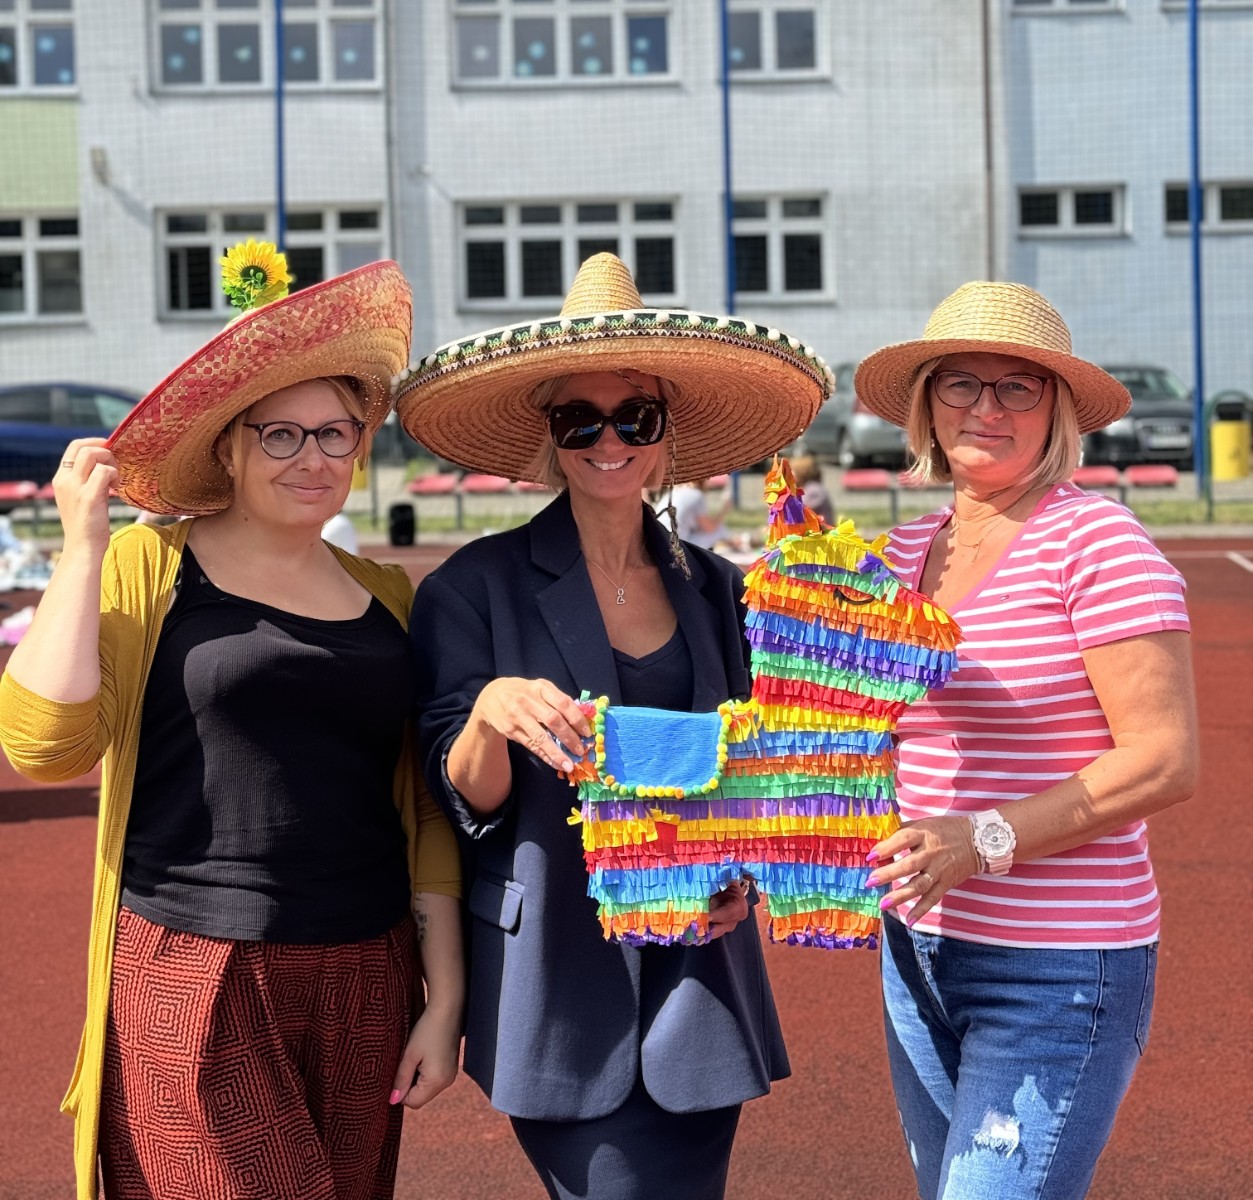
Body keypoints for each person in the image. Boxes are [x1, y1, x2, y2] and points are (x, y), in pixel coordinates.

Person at [0, 247, 463, 1200]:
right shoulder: (150, 566)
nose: (312, 458)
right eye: (280, 434)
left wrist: (444, 992)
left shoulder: (390, 597)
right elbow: (44, 746)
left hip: (367, 968)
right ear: (228, 447)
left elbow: (424, 808)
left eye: (334, 434)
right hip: (193, 964)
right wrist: (82, 548)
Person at [394, 253, 832, 1200]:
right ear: (550, 436)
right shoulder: (473, 587)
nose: (609, 440)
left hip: (701, 981)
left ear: (667, 432)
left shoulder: (721, 590)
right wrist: (489, 715)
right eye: (579, 420)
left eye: (636, 416)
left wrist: (744, 880)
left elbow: (760, 772)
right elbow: (462, 800)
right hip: (554, 979)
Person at [853, 281, 1198, 1200]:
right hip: (915, 950)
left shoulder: (1098, 544)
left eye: (1018, 386)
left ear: (1057, 411)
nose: (987, 408)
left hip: (1056, 970)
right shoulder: (896, 557)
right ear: (926, 405)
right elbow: (860, 744)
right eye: (960, 383)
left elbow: (1164, 760)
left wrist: (981, 838)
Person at [653, 477, 730, 549]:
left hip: (660, 539)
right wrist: (724, 510)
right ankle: (733, 544)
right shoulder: (697, 495)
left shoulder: (674, 492)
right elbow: (710, 528)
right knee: (719, 530)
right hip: (677, 545)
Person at [788, 454, 833, 525]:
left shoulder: (814, 490)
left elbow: (799, 512)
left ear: (802, 472)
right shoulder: (806, 488)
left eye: (792, 471)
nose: (790, 475)